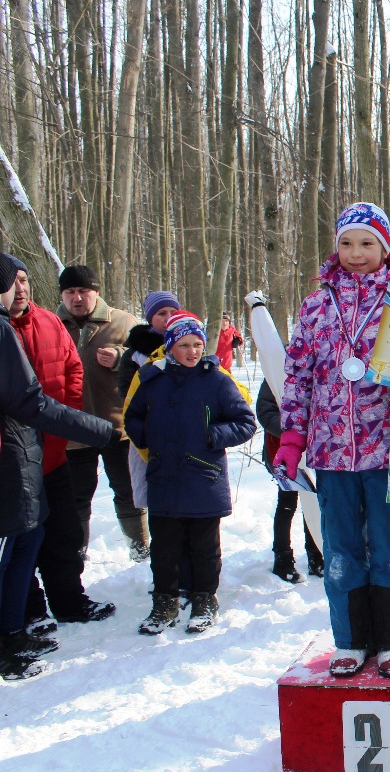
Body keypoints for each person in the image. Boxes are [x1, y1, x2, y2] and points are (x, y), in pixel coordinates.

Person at [277, 202, 390, 678]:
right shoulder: (317, 306)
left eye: (366, 244)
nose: (356, 253)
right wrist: (291, 438)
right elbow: (298, 375)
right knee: (339, 548)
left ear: (385, 248)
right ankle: (350, 639)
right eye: (346, 243)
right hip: (332, 450)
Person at [1, 254, 113, 680]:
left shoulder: (49, 323)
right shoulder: (3, 330)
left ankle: (68, 599)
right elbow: (24, 399)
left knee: (62, 529)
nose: (23, 288)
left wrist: (63, 423)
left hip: (50, 449)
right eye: (16, 281)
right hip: (11, 457)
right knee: (18, 542)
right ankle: (25, 614)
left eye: (27, 280)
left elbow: (71, 370)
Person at [126, 312, 256, 635]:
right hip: (164, 477)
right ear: (170, 347)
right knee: (164, 547)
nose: (192, 352)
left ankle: (204, 599)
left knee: (204, 547)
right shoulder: (151, 379)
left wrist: (214, 436)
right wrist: (147, 437)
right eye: (184, 345)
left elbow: (245, 422)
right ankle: (165, 602)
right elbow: (132, 417)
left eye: (197, 344)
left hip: (204, 477)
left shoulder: (216, 379)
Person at [56, 265, 149, 562]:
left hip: (117, 426)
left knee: (129, 492)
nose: (77, 298)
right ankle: (76, 553)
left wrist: (121, 359)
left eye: (83, 291)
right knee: (76, 498)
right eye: (70, 292)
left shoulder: (123, 322)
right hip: (73, 429)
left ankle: (139, 548)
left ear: (97, 292)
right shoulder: (52, 324)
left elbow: (149, 363)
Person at [256, 381, 323, 583]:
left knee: (313, 504)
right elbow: (265, 412)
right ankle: (282, 558)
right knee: (287, 503)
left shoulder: (315, 366)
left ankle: (316, 556)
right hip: (283, 450)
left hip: (316, 450)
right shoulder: (274, 371)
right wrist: (292, 432)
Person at [119, 291, 181, 399]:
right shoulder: (134, 355)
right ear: (150, 319)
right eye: (162, 313)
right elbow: (129, 397)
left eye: (173, 312)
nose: (169, 318)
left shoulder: (191, 345)